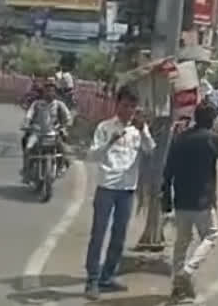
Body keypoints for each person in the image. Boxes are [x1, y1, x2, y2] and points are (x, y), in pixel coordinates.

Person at [84, 85, 155, 299]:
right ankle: (92, 280)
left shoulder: (138, 129)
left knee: (119, 235)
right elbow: (92, 155)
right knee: (98, 234)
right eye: (125, 106)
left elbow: (150, 150)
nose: (129, 111)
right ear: (117, 105)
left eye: (133, 107)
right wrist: (110, 141)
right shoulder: (105, 127)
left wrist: (143, 131)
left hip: (127, 189)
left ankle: (107, 276)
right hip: (107, 187)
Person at [162, 102, 218, 303]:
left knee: (181, 243)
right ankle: (187, 271)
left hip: (182, 199)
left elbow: (167, 171)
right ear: (212, 120)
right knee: (211, 235)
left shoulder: (180, 138)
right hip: (203, 200)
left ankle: (178, 287)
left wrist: (166, 198)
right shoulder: (212, 138)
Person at [21, 78, 72, 179]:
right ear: (44, 91)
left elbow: (68, 117)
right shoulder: (37, 104)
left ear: (55, 92)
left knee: (64, 150)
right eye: (48, 89)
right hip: (38, 133)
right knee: (28, 148)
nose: (50, 92)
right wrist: (26, 124)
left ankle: (61, 168)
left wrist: (65, 127)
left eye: (52, 90)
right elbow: (29, 115)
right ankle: (26, 170)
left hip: (54, 133)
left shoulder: (59, 105)